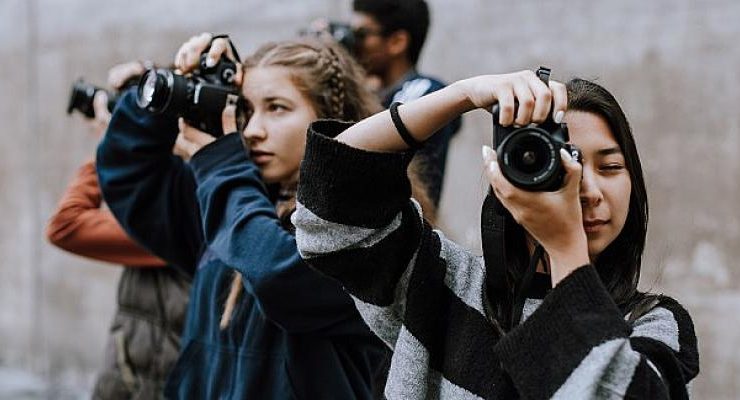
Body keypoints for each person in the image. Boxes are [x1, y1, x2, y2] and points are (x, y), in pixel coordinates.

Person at [292, 70, 700, 399]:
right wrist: (464, 95)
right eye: (563, 164)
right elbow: (332, 207)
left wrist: (563, 248)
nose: (588, 190)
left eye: (610, 168)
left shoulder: (653, 323)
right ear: (508, 177)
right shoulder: (444, 284)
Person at [96, 33, 391, 399]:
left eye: (277, 108)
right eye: (246, 111)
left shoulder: (368, 223)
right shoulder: (234, 199)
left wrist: (221, 167)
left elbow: (277, 274)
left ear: (333, 117)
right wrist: (184, 79)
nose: (252, 131)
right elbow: (129, 175)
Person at [47, 61, 190, 399]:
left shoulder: (180, 213)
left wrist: (113, 146)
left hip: (151, 383)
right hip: (137, 375)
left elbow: (66, 225)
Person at [350, 0, 462, 207]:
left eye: (361, 35)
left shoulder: (426, 91)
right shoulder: (370, 96)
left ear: (397, 42)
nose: (354, 45)